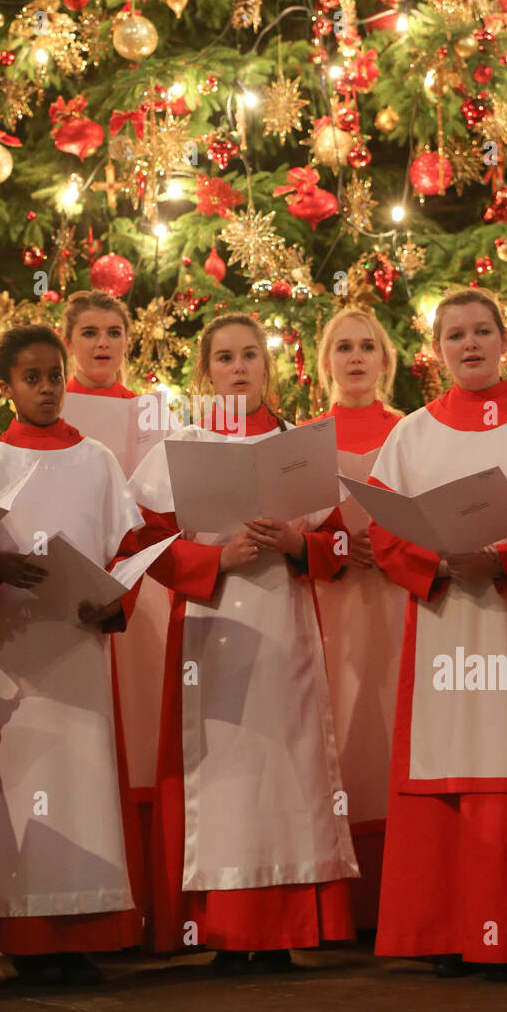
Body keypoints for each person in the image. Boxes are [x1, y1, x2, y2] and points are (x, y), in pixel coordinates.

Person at [128, 312, 358, 975]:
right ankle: (223, 931)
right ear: (205, 372)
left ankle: (283, 926)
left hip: (286, 633)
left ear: (268, 365)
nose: (237, 367)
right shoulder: (181, 447)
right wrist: (215, 561)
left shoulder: (302, 446)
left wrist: (296, 544)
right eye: (224, 357)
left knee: (287, 771)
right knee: (221, 778)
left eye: (250, 355)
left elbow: (339, 547)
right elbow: (142, 544)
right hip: (211, 631)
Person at [367, 287, 507, 977]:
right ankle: (445, 931)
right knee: (443, 758)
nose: (471, 344)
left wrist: (504, 559)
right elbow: (384, 532)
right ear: (435, 350)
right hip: (443, 621)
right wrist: (439, 562)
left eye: (483, 331)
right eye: (456, 335)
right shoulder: (411, 434)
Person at [0, 324, 146, 986]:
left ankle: (80, 928)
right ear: (4, 387)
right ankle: (23, 929)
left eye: (54, 375)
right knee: (12, 786)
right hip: (9, 649)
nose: (47, 388)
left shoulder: (97, 460)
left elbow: (129, 549)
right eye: (31, 378)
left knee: (79, 781)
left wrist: (113, 596)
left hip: (77, 642)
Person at [62, 289, 172, 943]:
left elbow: (164, 495)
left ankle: (151, 905)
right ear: (68, 339)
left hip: (143, 583)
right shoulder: (51, 406)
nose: (103, 344)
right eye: (90, 332)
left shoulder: (152, 407)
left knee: (143, 732)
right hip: (77, 585)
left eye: (114, 332)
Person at [310, 308, 407, 929]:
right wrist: (343, 546)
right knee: (339, 726)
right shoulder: (306, 438)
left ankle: (398, 896)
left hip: (400, 599)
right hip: (331, 604)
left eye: (367, 346)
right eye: (342, 347)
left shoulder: (412, 430)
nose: (355, 357)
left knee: (395, 725)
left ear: (385, 360)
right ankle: (345, 901)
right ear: (326, 363)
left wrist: (395, 546)